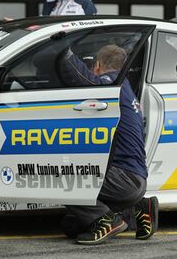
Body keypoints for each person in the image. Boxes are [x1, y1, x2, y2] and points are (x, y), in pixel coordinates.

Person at [59, 45, 158, 245]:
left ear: (97, 66)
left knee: (60, 178)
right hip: (134, 180)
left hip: (122, 179)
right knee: (71, 226)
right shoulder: (126, 88)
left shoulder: (110, 84)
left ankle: (107, 221)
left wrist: (64, 50)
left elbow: (87, 80)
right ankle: (139, 207)